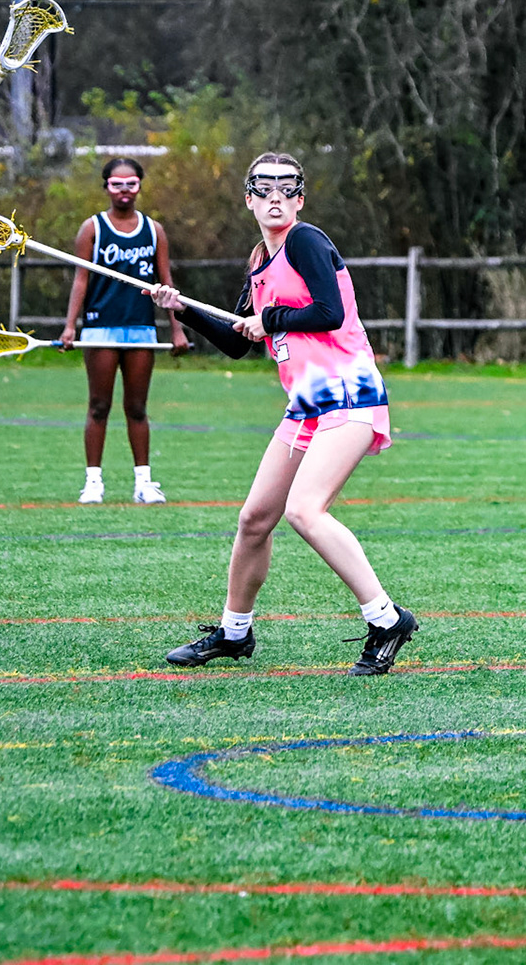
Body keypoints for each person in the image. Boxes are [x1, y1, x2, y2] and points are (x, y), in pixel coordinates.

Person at [149, 152, 416, 676]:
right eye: (264, 188)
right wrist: (182, 308)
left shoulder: (305, 241)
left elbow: (329, 312)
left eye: (286, 188)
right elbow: (237, 342)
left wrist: (270, 320)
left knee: (305, 511)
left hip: (351, 395)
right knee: (255, 520)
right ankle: (234, 633)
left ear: (300, 199)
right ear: (248, 199)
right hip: (306, 407)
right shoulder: (259, 263)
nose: (275, 197)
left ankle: (387, 619)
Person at [59, 158, 190, 504]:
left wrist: (176, 330)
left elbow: (166, 283)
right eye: (117, 184)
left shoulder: (153, 230)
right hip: (100, 328)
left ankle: (143, 483)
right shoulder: (92, 228)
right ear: (106, 187)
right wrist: (70, 326)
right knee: (99, 405)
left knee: (137, 407)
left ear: (140, 186)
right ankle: (93, 483)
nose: (124, 191)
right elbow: (81, 280)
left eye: (131, 184)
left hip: (141, 329)